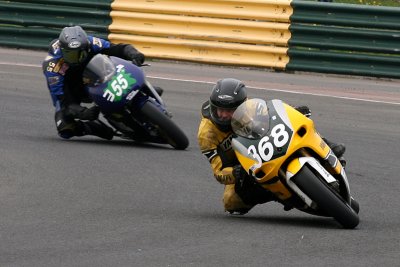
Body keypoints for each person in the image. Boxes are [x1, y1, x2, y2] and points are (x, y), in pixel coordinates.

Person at [197, 78, 346, 215]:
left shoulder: (249, 108)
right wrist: (236, 173)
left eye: (229, 111)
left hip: (261, 144)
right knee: (230, 201)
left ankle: (326, 146)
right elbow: (218, 172)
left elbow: (274, 114)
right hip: (240, 165)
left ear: (240, 105)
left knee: (301, 127)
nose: (223, 115)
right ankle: (276, 193)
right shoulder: (206, 134)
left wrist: (295, 112)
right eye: (219, 109)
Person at [42, 25, 147, 140]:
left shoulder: (92, 42)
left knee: (127, 67)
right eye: (70, 55)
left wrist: (133, 53)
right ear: (62, 50)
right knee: (64, 128)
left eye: (79, 54)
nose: (75, 59)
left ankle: (144, 89)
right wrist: (81, 112)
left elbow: (117, 48)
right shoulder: (52, 68)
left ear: (86, 46)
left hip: (97, 72)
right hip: (71, 88)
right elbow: (62, 100)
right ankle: (93, 128)